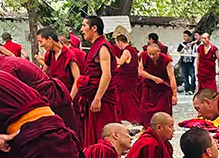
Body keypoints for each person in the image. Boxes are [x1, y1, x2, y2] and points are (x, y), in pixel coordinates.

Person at [0, 44, 81, 137]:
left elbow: (10, 99)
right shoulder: (6, 61)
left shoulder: (6, 68)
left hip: (50, 103)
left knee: (63, 140)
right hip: (49, 100)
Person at [77, 15, 119, 147]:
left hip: (101, 97)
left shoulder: (102, 47)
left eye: (84, 25)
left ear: (94, 28)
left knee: (103, 132)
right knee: (93, 132)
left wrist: (98, 98)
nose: (81, 29)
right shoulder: (95, 46)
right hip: (93, 94)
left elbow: (106, 74)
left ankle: (103, 156)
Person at [138, 40, 177, 125]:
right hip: (149, 88)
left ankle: (165, 127)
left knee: (163, 110)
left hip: (163, 89)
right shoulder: (144, 56)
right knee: (146, 111)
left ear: (159, 51)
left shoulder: (166, 60)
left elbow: (172, 77)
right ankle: (146, 127)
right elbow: (140, 72)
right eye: (150, 54)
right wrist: (153, 78)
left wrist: (174, 94)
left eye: (154, 54)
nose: (152, 56)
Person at [37, 27, 82, 98]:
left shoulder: (69, 55)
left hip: (67, 94)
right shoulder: (49, 54)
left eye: (41, 41)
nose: (41, 45)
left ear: (49, 39)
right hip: (54, 95)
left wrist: (70, 98)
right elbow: (44, 73)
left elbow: (77, 79)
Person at [111, 32, 142, 125]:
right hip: (131, 77)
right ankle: (132, 117)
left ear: (120, 42)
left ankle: (134, 117)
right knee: (130, 98)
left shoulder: (126, 51)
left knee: (128, 99)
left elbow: (120, 62)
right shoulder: (133, 50)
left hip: (126, 79)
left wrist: (113, 56)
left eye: (117, 43)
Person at [176, 30, 197, 94]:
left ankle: (192, 89)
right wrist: (184, 49)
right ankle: (187, 90)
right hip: (184, 63)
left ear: (189, 37)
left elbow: (195, 53)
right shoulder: (181, 45)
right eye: (183, 36)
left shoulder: (193, 44)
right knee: (185, 77)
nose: (184, 37)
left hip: (191, 63)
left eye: (185, 36)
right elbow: (179, 52)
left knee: (192, 76)